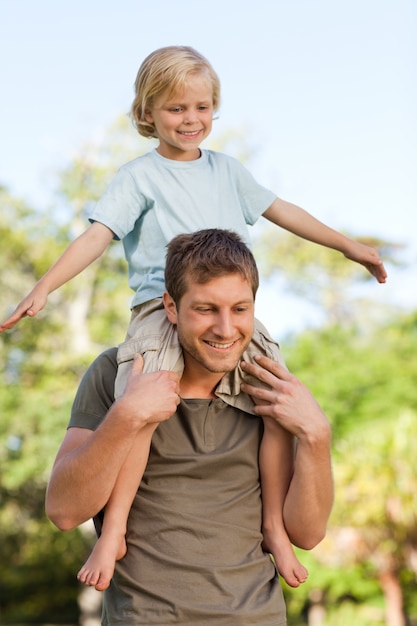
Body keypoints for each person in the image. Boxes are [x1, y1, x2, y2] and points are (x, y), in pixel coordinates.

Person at [1, 46, 385, 589]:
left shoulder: (228, 170)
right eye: (176, 108)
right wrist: (43, 287)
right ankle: (114, 531)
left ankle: (273, 527)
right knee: (141, 403)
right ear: (148, 112)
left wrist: (350, 246)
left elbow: (285, 211)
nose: (191, 120)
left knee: (274, 401)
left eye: (202, 108)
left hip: (220, 309)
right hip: (161, 310)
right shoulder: (139, 176)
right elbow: (96, 236)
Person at [45, 229, 334, 625]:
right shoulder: (116, 373)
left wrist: (317, 435)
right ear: (171, 306)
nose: (226, 329)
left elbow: (308, 534)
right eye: (205, 309)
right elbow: (63, 512)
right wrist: (128, 415)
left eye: (240, 309)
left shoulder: (267, 388)